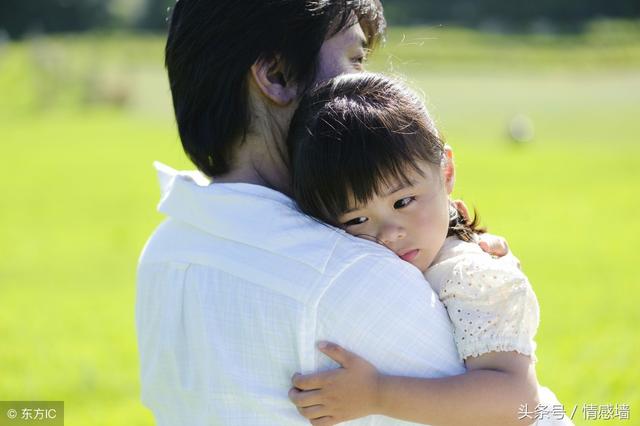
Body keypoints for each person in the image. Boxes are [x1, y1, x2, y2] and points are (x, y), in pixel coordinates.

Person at [136, 1, 508, 424]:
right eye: (356, 59)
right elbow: (518, 410)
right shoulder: (354, 274)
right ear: (277, 76)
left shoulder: (164, 252)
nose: (370, 84)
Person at [286, 73, 573, 426]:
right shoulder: (424, 254)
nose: (389, 233)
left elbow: (516, 400)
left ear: (446, 170)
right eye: (357, 220)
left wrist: (376, 393)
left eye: (404, 201)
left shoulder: (474, 275)